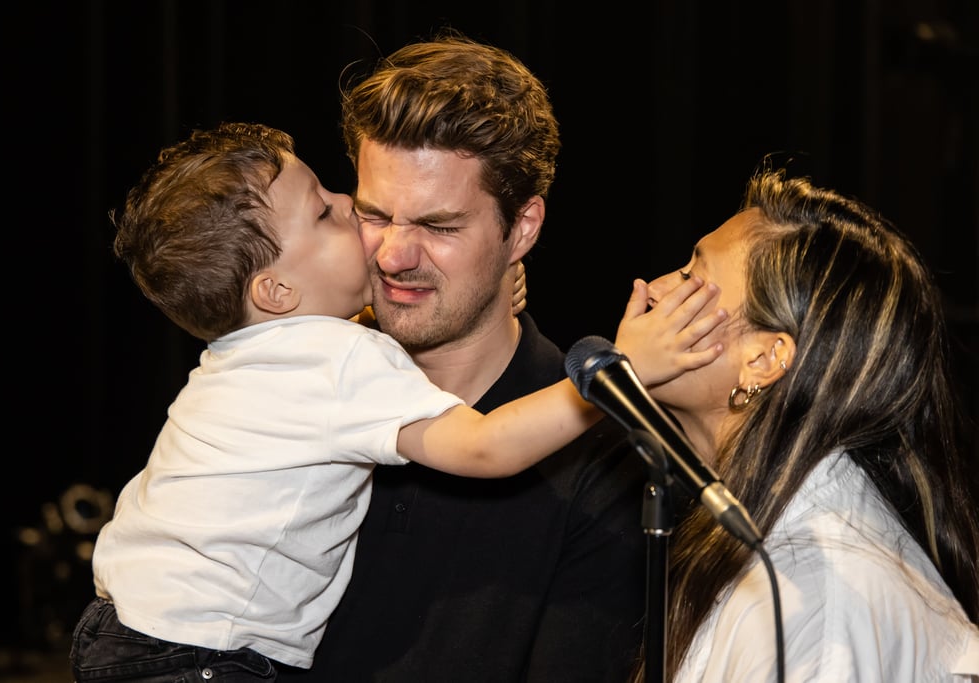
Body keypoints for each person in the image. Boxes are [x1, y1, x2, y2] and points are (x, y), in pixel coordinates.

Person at [68, 121, 725, 681]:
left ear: (520, 230)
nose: (359, 218)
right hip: (202, 655)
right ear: (273, 290)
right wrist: (619, 372)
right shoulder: (344, 362)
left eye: (440, 225)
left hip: (116, 625)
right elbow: (486, 443)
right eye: (343, 212)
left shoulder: (258, 351)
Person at [284, 32, 711, 682]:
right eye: (375, 214)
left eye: (440, 226)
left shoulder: (607, 471)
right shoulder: (296, 381)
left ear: (524, 227)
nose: (394, 255)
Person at [628, 166, 979, 682]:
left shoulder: (818, 604)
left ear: (764, 360)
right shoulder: (779, 543)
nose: (654, 289)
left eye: (689, 278)